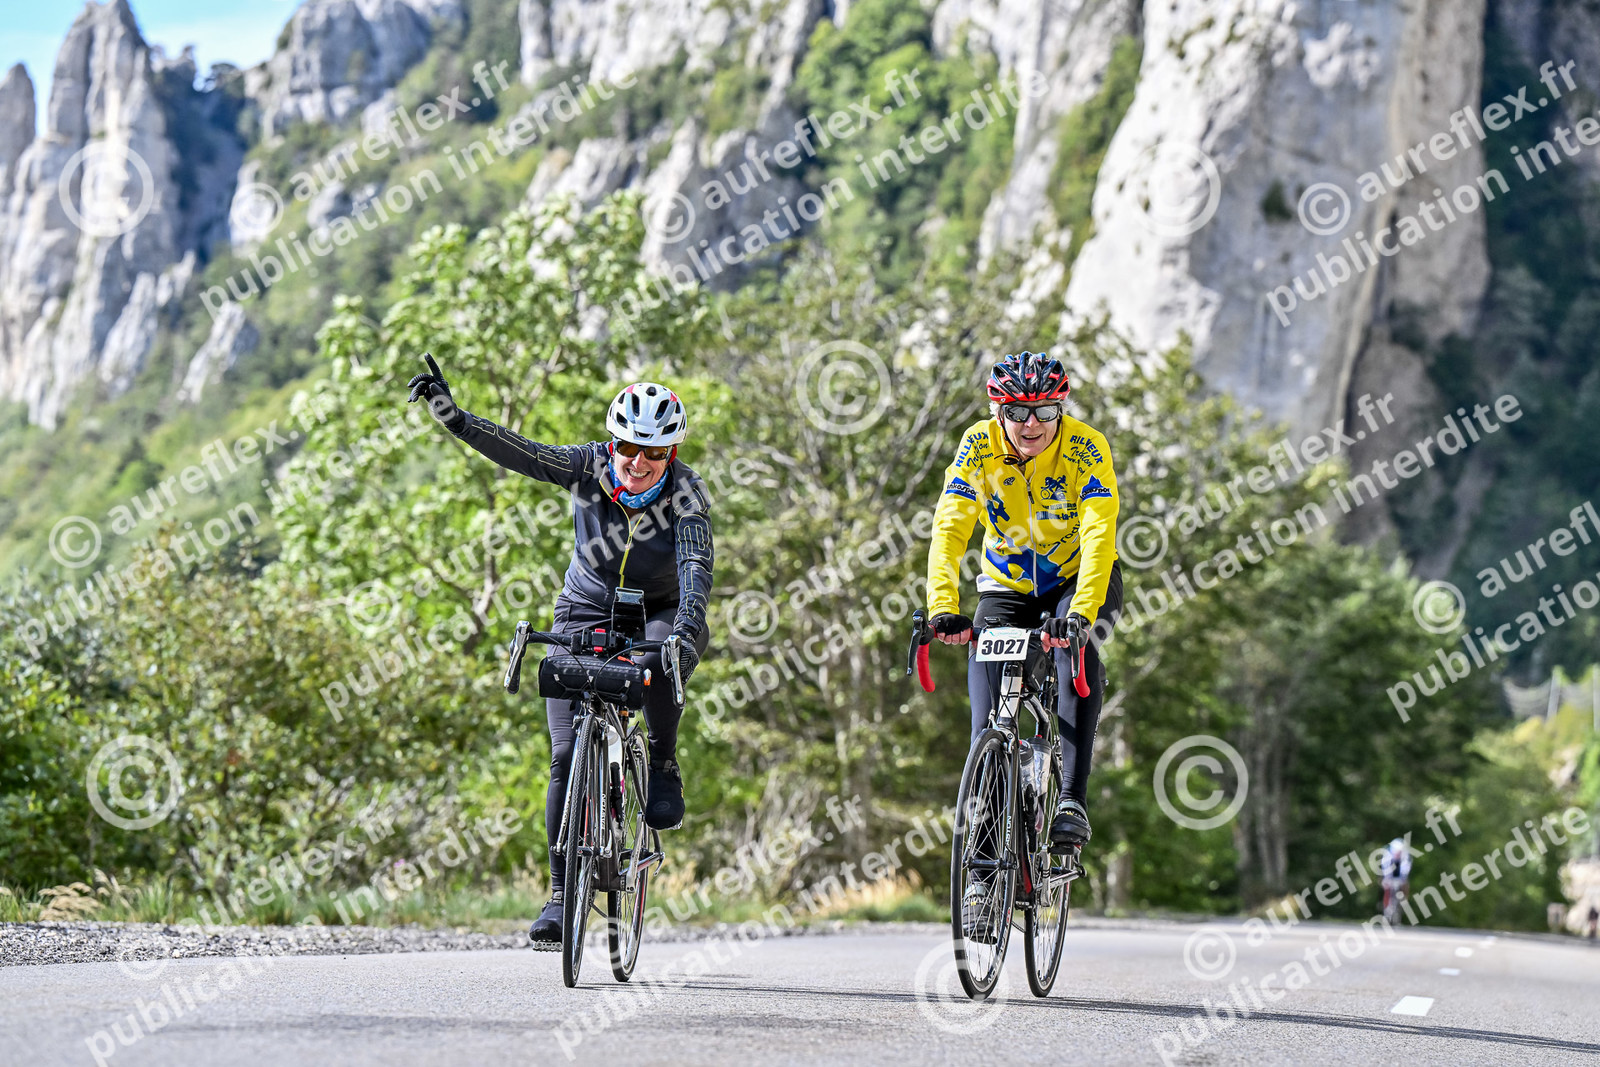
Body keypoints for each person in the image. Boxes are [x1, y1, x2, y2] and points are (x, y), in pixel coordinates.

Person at [407, 358, 714, 944]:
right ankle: (559, 894)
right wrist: (455, 418)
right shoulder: (589, 465)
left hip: (662, 610)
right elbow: (523, 452)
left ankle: (662, 760)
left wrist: (684, 628)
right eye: (629, 447)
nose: (638, 462)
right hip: (586, 605)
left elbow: (695, 566)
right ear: (614, 442)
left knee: (660, 662)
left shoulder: (687, 494)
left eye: (654, 452)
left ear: (671, 454)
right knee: (566, 753)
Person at [924, 351, 1122, 936]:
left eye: (1044, 411)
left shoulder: (1086, 447)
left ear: (1061, 409)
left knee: (1074, 655)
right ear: (997, 411)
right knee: (986, 724)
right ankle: (984, 881)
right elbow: (951, 524)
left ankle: (1071, 800)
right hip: (1006, 586)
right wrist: (942, 606)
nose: (1031, 423)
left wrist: (1080, 616)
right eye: (1017, 412)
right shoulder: (978, 445)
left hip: (1078, 578)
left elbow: (1099, 532)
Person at [1380, 837, 1412, 918]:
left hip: (1400, 873)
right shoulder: (1388, 855)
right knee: (1387, 887)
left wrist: (1403, 878)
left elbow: (1405, 868)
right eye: (1397, 852)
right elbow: (1385, 867)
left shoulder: (1405, 856)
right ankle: (1386, 906)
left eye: (1399, 852)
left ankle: (1403, 902)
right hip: (1390, 873)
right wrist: (1387, 878)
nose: (1398, 854)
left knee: (1405, 885)